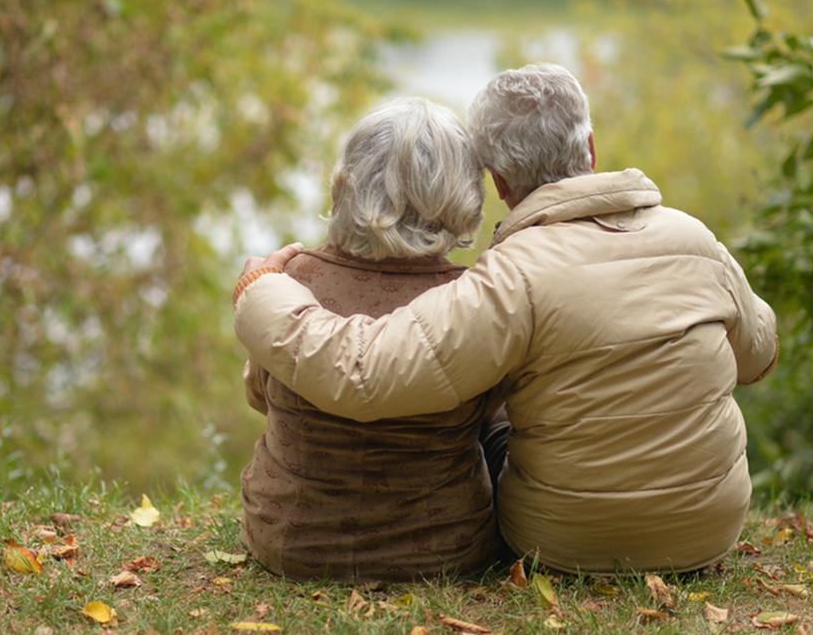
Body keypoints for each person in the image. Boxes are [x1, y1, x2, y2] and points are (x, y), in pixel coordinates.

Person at [233, 64, 779, 574]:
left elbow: (361, 374)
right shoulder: (694, 238)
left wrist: (261, 291)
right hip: (709, 531)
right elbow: (758, 357)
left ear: (497, 182)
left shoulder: (510, 275)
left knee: (494, 388)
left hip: (565, 541)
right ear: (591, 147)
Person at [237, 97, 504, 582]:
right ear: (462, 193)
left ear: (348, 181)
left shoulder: (289, 282)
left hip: (289, 541)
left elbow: (260, 396)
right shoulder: (473, 298)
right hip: (443, 550)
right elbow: (490, 414)